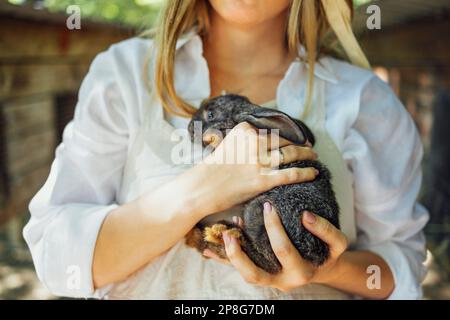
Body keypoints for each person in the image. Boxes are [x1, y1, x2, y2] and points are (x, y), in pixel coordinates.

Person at [23, 0, 428, 299]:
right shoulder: (127, 76)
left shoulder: (363, 100)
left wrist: (330, 268)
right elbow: (58, 252)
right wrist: (204, 189)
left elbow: (400, 265)